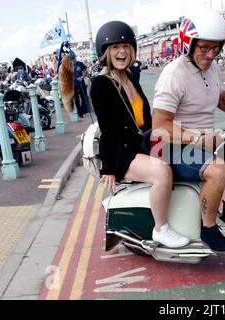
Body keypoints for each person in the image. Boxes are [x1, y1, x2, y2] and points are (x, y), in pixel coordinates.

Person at [152, 9, 225, 254]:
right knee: (217, 170)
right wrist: (195, 137)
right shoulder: (174, 75)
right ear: (189, 43)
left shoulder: (211, 67)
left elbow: (220, 98)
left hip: (205, 141)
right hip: (171, 148)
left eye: (216, 48)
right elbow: (159, 126)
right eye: (204, 48)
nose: (210, 54)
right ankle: (208, 229)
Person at [91, 21, 189, 249]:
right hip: (123, 152)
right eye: (115, 47)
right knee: (162, 172)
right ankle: (161, 229)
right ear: (106, 52)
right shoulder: (101, 84)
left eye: (125, 46)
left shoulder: (130, 77)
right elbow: (107, 129)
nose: (121, 52)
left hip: (142, 143)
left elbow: (145, 119)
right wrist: (109, 168)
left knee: (189, 157)